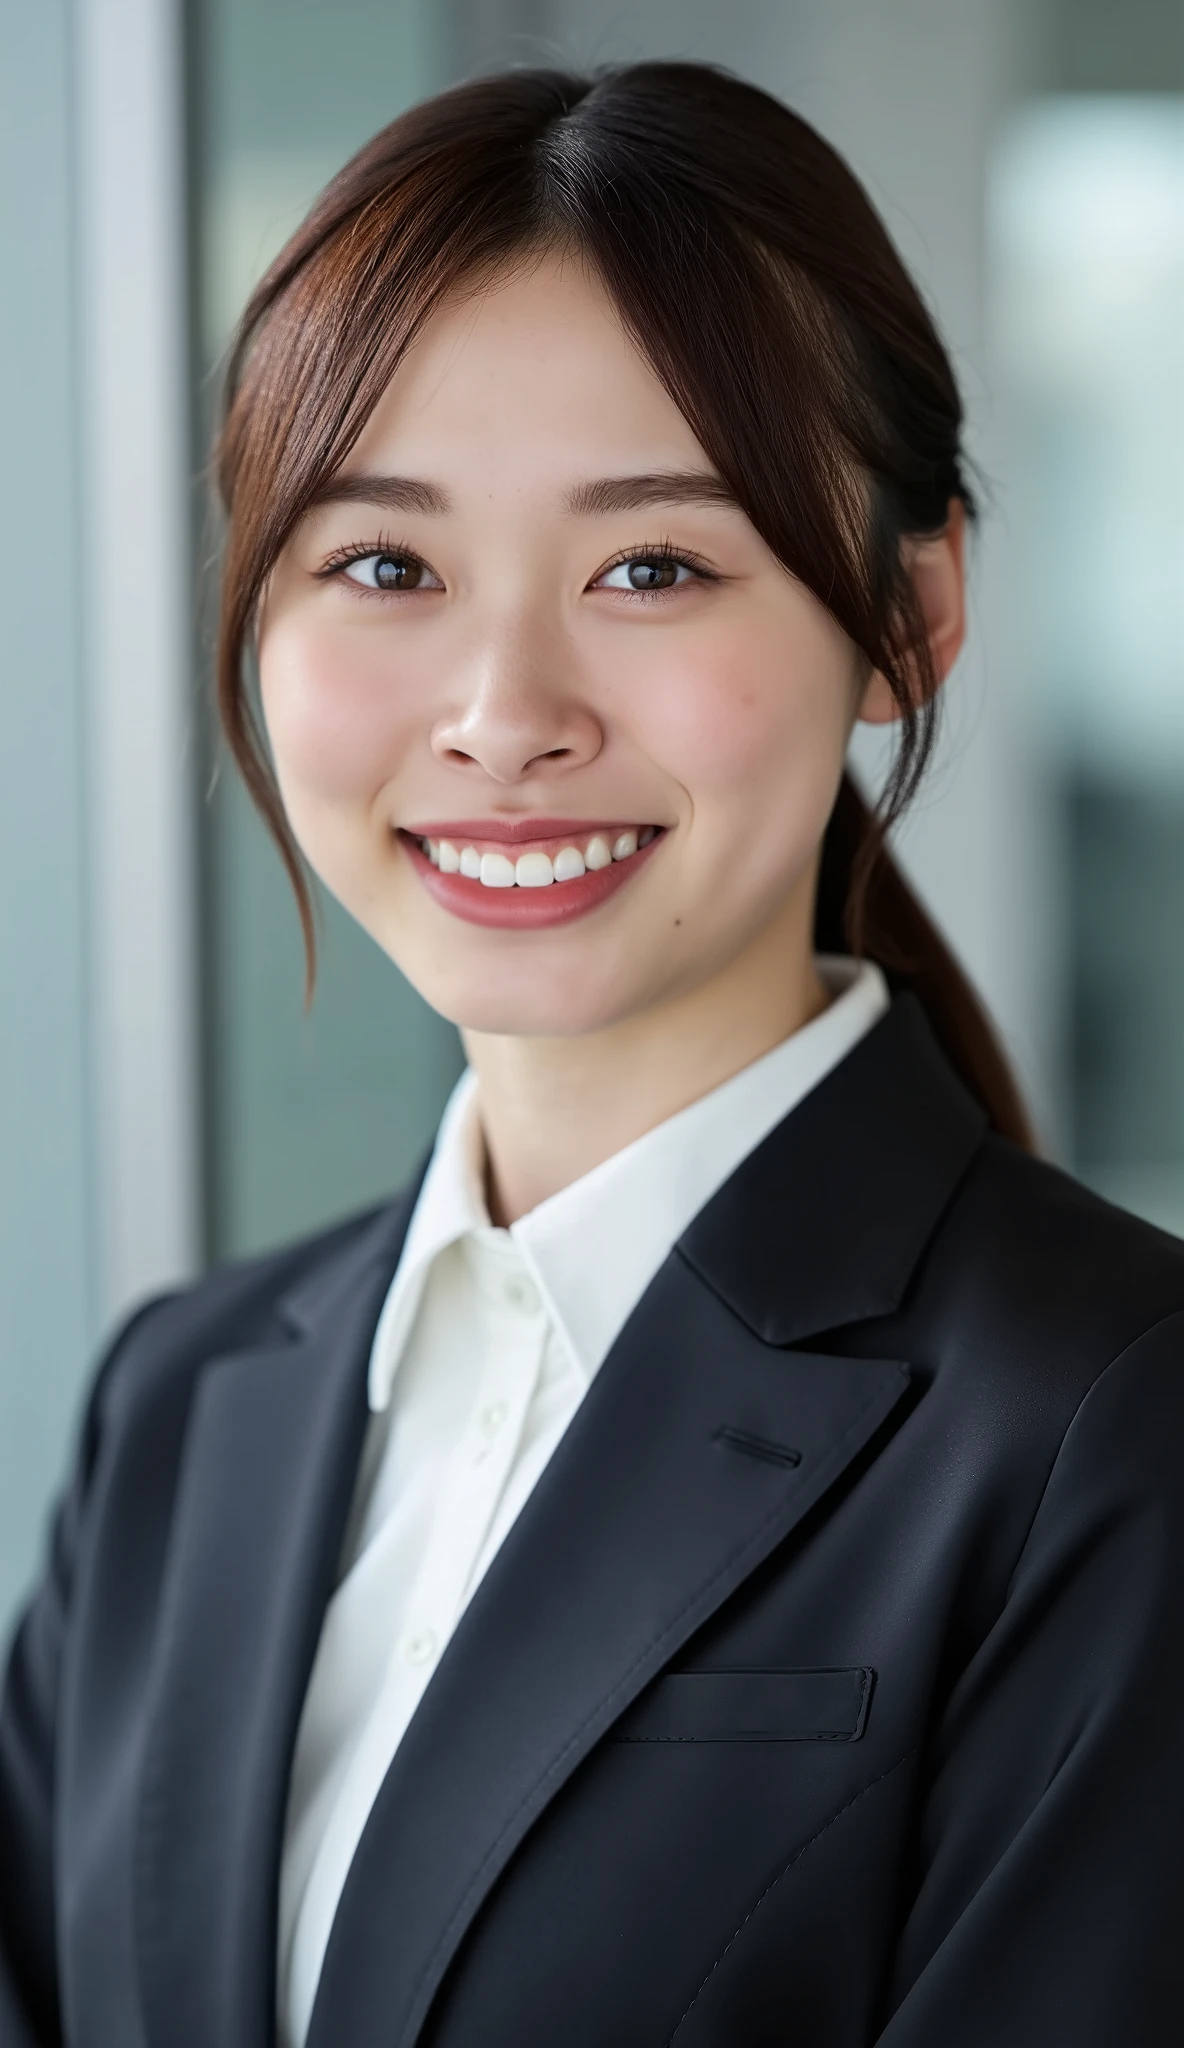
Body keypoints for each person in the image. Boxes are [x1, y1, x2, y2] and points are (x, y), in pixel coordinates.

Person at [2, 61, 1182, 2048]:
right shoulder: (183, 1409)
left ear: (911, 606)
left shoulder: (1109, 1428)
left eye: (651, 567)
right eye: (385, 566)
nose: (501, 710)